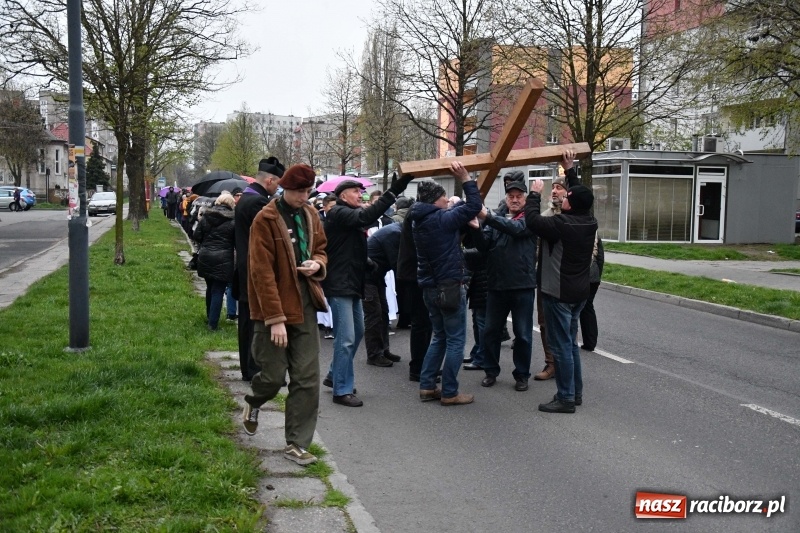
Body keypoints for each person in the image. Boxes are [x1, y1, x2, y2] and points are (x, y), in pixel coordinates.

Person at [241, 164, 328, 466]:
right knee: (274, 376)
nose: (305, 197)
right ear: (284, 188)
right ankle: (254, 401)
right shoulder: (265, 219)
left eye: (308, 191)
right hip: (273, 306)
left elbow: (321, 249)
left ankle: (297, 443)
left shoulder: (311, 215)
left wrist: (317, 263)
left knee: (307, 378)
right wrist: (275, 318)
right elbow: (261, 273)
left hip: (304, 303)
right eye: (299, 191)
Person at [322, 174, 413, 407]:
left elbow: (349, 247)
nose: (361, 196)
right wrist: (394, 190)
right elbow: (367, 214)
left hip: (352, 283)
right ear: (343, 196)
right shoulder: (339, 213)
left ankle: (334, 374)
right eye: (356, 192)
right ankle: (342, 390)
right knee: (346, 338)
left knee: (358, 332)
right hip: (340, 284)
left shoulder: (348, 217)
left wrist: (369, 263)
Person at [408, 162, 481, 405]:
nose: (445, 201)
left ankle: (428, 386)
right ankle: (450, 391)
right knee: (456, 340)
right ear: (435, 201)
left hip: (429, 286)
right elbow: (474, 206)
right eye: (442, 198)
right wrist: (465, 178)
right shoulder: (441, 219)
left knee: (439, 336)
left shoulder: (417, 220)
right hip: (449, 286)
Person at [525, 177, 598, 414]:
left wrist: (534, 194)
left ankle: (566, 397)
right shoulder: (589, 221)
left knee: (562, 347)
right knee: (571, 345)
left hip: (558, 294)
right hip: (579, 293)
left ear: (572, 204)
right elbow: (581, 197)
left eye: (566, 197)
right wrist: (570, 171)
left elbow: (533, 220)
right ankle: (575, 393)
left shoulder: (561, 224)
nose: (563, 197)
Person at [474, 179, 538, 391]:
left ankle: (522, 375)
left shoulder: (530, 219)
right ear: (506, 198)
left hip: (523, 287)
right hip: (497, 287)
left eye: (519, 196)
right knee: (490, 332)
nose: (515, 200)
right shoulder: (496, 220)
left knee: (523, 335)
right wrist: (476, 228)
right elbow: (483, 246)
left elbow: (516, 229)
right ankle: (490, 371)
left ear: (525, 199)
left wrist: (488, 217)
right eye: (511, 196)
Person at [235, 157, 285, 381]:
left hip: (245, 266)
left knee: (248, 320)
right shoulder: (258, 203)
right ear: (270, 180)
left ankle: (250, 367)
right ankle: (254, 369)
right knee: (254, 322)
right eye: (278, 183)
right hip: (253, 269)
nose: (278, 188)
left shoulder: (247, 197)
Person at [534, 150, 580, 381]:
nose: (553, 191)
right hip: (545, 279)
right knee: (544, 322)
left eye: (559, 187)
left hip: (567, 281)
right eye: (552, 187)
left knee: (567, 326)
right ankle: (551, 362)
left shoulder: (577, 217)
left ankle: (566, 368)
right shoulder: (546, 215)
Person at [193, 191, 236, 331]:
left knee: (210, 288)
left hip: (205, 256)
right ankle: (213, 324)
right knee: (218, 290)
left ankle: (209, 316)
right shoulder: (233, 220)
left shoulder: (206, 217)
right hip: (224, 258)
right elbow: (237, 241)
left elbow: (196, 235)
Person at [364, 221, 403, 367]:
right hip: (367, 277)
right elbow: (397, 263)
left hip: (375, 275)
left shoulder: (395, 231)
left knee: (383, 313)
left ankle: (383, 350)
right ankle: (374, 355)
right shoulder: (394, 234)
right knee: (374, 315)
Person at [579, 233, 604, 351]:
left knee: (580, 307)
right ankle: (590, 341)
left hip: (582, 275)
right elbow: (600, 258)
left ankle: (587, 341)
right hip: (593, 276)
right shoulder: (595, 234)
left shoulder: (576, 228)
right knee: (588, 307)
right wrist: (598, 277)